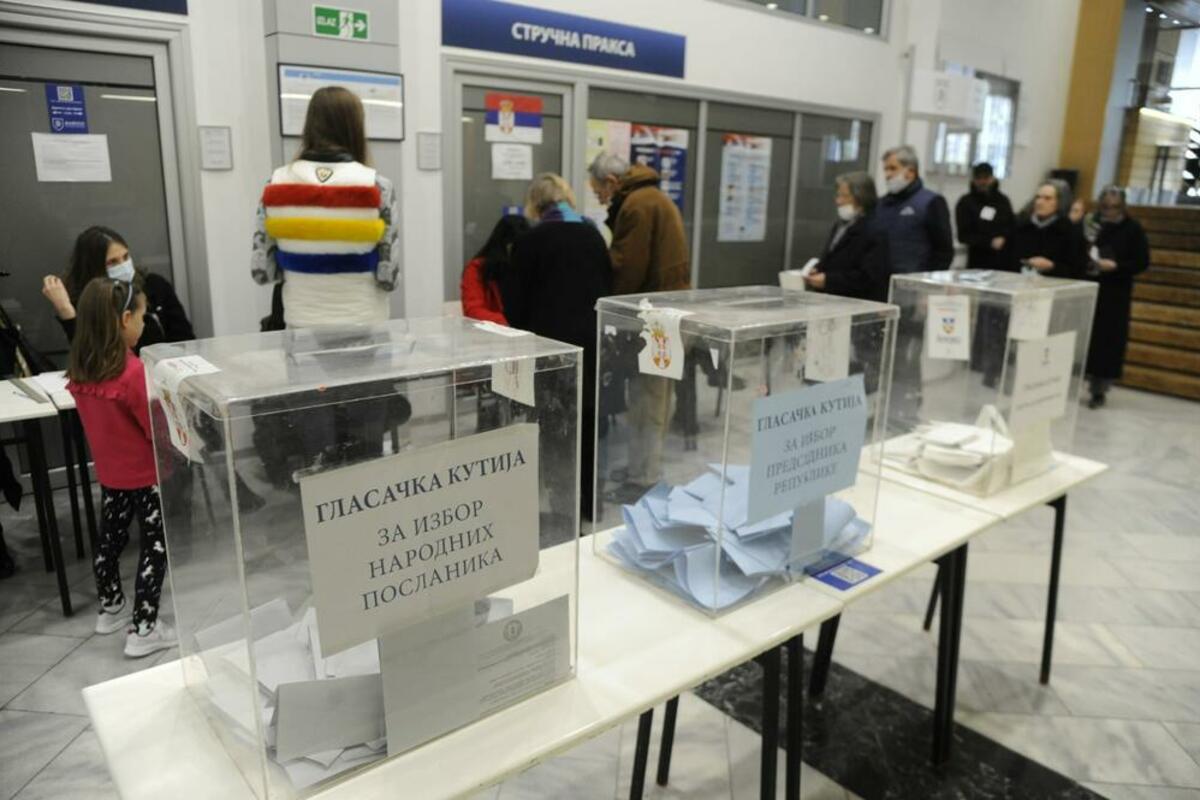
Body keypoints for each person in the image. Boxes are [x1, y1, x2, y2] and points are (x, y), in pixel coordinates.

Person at [66, 277, 175, 658]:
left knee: (109, 541)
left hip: (111, 475)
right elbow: (155, 428)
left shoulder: (80, 370)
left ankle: (110, 606)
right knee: (155, 546)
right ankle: (144, 628)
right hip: (146, 475)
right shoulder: (132, 373)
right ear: (125, 318)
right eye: (142, 317)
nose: (143, 324)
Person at [505, 174, 611, 524]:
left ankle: (564, 515)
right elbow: (608, 289)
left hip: (548, 351)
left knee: (555, 430)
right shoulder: (593, 235)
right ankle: (590, 505)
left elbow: (514, 306)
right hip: (590, 345)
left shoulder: (529, 241)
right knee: (589, 424)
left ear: (535, 203)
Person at [251, 86, 399, 328]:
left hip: (301, 325)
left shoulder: (275, 184)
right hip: (364, 324)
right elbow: (388, 278)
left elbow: (262, 271)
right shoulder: (378, 187)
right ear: (355, 127)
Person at [588, 152, 690, 493]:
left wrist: (601, 296)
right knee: (653, 397)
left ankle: (643, 478)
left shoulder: (637, 205)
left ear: (611, 182)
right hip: (667, 315)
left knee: (648, 401)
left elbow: (627, 270)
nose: (600, 200)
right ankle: (641, 469)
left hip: (654, 319)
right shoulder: (653, 197)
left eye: (599, 192)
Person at [42, 226, 194, 350]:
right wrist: (66, 311)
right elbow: (88, 358)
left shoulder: (154, 285)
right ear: (94, 267)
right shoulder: (85, 301)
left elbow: (185, 340)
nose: (123, 265)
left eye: (126, 257)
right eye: (113, 262)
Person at [1083, 186, 1150, 408]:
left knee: (1107, 345)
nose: (1109, 211)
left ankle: (1098, 390)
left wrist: (1117, 266)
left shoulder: (1133, 229)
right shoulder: (1092, 224)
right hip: (1089, 287)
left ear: (1122, 206)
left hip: (1115, 294)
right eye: (1105, 206)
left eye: (1114, 207)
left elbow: (1141, 262)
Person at [805, 171, 890, 301]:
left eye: (845, 196)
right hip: (832, 299)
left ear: (862, 197)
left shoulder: (875, 230)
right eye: (838, 195)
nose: (838, 201)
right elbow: (833, 258)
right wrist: (819, 270)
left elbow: (868, 278)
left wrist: (828, 280)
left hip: (858, 303)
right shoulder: (840, 225)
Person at [872, 145, 954, 274]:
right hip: (881, 281)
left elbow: (943, 250)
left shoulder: (931, 202)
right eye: (885, 169)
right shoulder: (881, 204)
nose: (887, 175)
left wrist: (928, 280)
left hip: (914, 279)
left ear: (910, 171)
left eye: (893, 168)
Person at [461, 215, 530, 324]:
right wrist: (508, 323)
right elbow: (473, 311)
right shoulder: (477, 268)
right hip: (493, 331)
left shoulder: (529, 267)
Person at [1010, 179, 1085, 278]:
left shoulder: (1069, 231)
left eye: (1047, 198)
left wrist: (1052, 266)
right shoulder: (1021, 226)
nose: (1040, 202)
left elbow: (1077, 269)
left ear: (1059, 202)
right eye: (1038, 197)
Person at [955, 162, 1015, 271]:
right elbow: (963, 235)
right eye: (979, 178)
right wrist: (989, 242)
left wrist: (1004, 238)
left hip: (1003, 261)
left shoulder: (1003, 201)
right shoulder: (966, 202)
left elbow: (1012, 226)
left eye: (986, 178)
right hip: (978, 262)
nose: (982, 182)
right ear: (973, 180)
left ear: (992, 178)